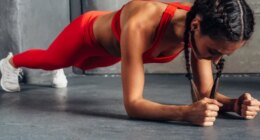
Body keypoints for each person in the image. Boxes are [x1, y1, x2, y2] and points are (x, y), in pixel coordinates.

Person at [0, 0, 259, 126]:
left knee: (82, 64)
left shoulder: (197, 31)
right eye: (214, 51)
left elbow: (204, 94)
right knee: (53, 59)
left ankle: (59, 65)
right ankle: (10, 64)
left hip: (113, 52)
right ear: (195, 26)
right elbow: (133, 105)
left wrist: (234, 104)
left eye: (222, 56)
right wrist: (183, 113)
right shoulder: (142, 23)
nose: (215, 60)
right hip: (87, 34)